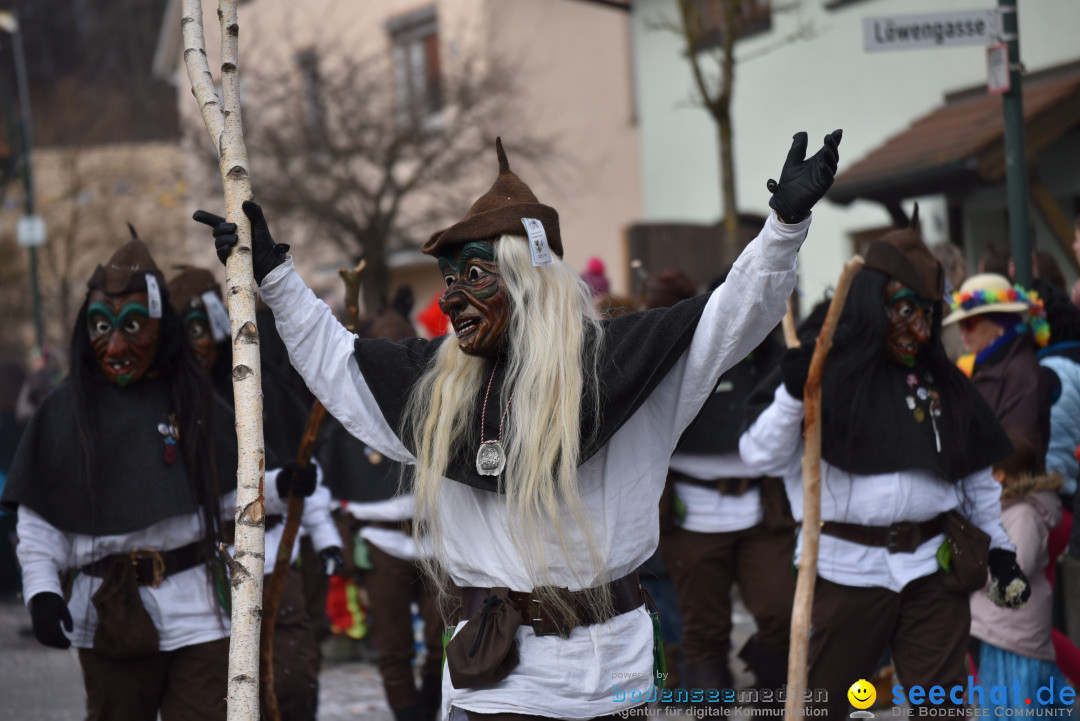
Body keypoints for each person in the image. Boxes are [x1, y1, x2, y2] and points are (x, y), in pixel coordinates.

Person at [196, 131, 841, 720]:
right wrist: (275, 277)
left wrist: (784, 228)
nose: (450, 299)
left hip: (614, 669)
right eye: (449, 281)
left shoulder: (624, 366)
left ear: (530, 281)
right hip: (499, 680)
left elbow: (732, 318)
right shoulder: (434, 389)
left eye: (473, 276)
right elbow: (337, 362)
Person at [740, 209, 1030, 719]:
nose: (918, 330)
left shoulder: (944, 384)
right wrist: (792, 390)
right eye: (904, 310)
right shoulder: (821, 374)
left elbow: (976, 481)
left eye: (927, 314)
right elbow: (760, 454)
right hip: (844, 574)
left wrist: (1002, 554)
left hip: (932, 575)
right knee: (823, 708)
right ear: (874, 305)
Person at [1, 237, 241, 721]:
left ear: (160, 327)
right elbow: (40, 524)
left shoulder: (194, 401)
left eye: (132, 327)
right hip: (107, 614)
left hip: (199, 613)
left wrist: (284, 485)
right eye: (101, 327)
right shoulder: (62, 412)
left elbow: (239, 497)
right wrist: (43, 592)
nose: (115, 346)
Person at [168, 265, 343, 721]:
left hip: (269, 557)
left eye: (205, 328)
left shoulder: (260, 387)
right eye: (186, 331)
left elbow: (298, 475)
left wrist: (319, 531)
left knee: (288, 682)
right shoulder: (164, 404)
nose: (197, 343)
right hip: (195, 574)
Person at [656, 268, 793, 711]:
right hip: (693, 515)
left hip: (762, 512)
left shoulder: (775, 357)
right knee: (704, 631)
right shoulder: (680, 357)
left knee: (780, 615)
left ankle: (770, 709)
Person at [319, 305, 447, 721]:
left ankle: (431, 709)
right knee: (394, 647)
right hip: (379, 543)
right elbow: (329, 485)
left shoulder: (442, 408)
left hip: (440, 543)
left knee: (444, 640)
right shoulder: (351, 417)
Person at [970, 445, 1068, 713]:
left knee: (1020, 705)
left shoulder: (1023, 515)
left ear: (1000, 475)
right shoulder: (1007, 509)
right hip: (1003, 627)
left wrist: (970, 569)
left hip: (1015, 633)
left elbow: (1014, 572)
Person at [944, 273, 1051, 478]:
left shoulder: (1022, 373)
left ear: (1000, 324)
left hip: (1009, 495)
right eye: (960, 324)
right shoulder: (984, 365)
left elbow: (1017, 453)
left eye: (969, 324)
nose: (962, 333)